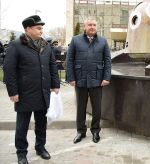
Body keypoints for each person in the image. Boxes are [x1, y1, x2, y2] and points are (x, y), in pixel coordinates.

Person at [3, 15, 60, 164]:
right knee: (22, 125)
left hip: (43, 92)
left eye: (42, 28)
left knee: (41, 123)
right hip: (24, 94)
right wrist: (13, 92)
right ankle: (21, 153)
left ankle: (40, 148)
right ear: (28, 29)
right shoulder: (16, 45)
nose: (41, 30)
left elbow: (52, 66)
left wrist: (55, 84)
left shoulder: (46, 45)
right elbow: (9, 70)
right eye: (38, 28)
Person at [66, 18, 111, 144]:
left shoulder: (103, 41)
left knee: (97, 108)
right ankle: (80, 131)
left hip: (97, 79)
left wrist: (106, 77)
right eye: (89, 25)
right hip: (80, 79)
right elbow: (69, 60)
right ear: (84, 27)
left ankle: (95, 131)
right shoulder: (76, 40)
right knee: (80, 108)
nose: (92, 27)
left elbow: (107, 60)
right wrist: (71, 78)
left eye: (94, 25)